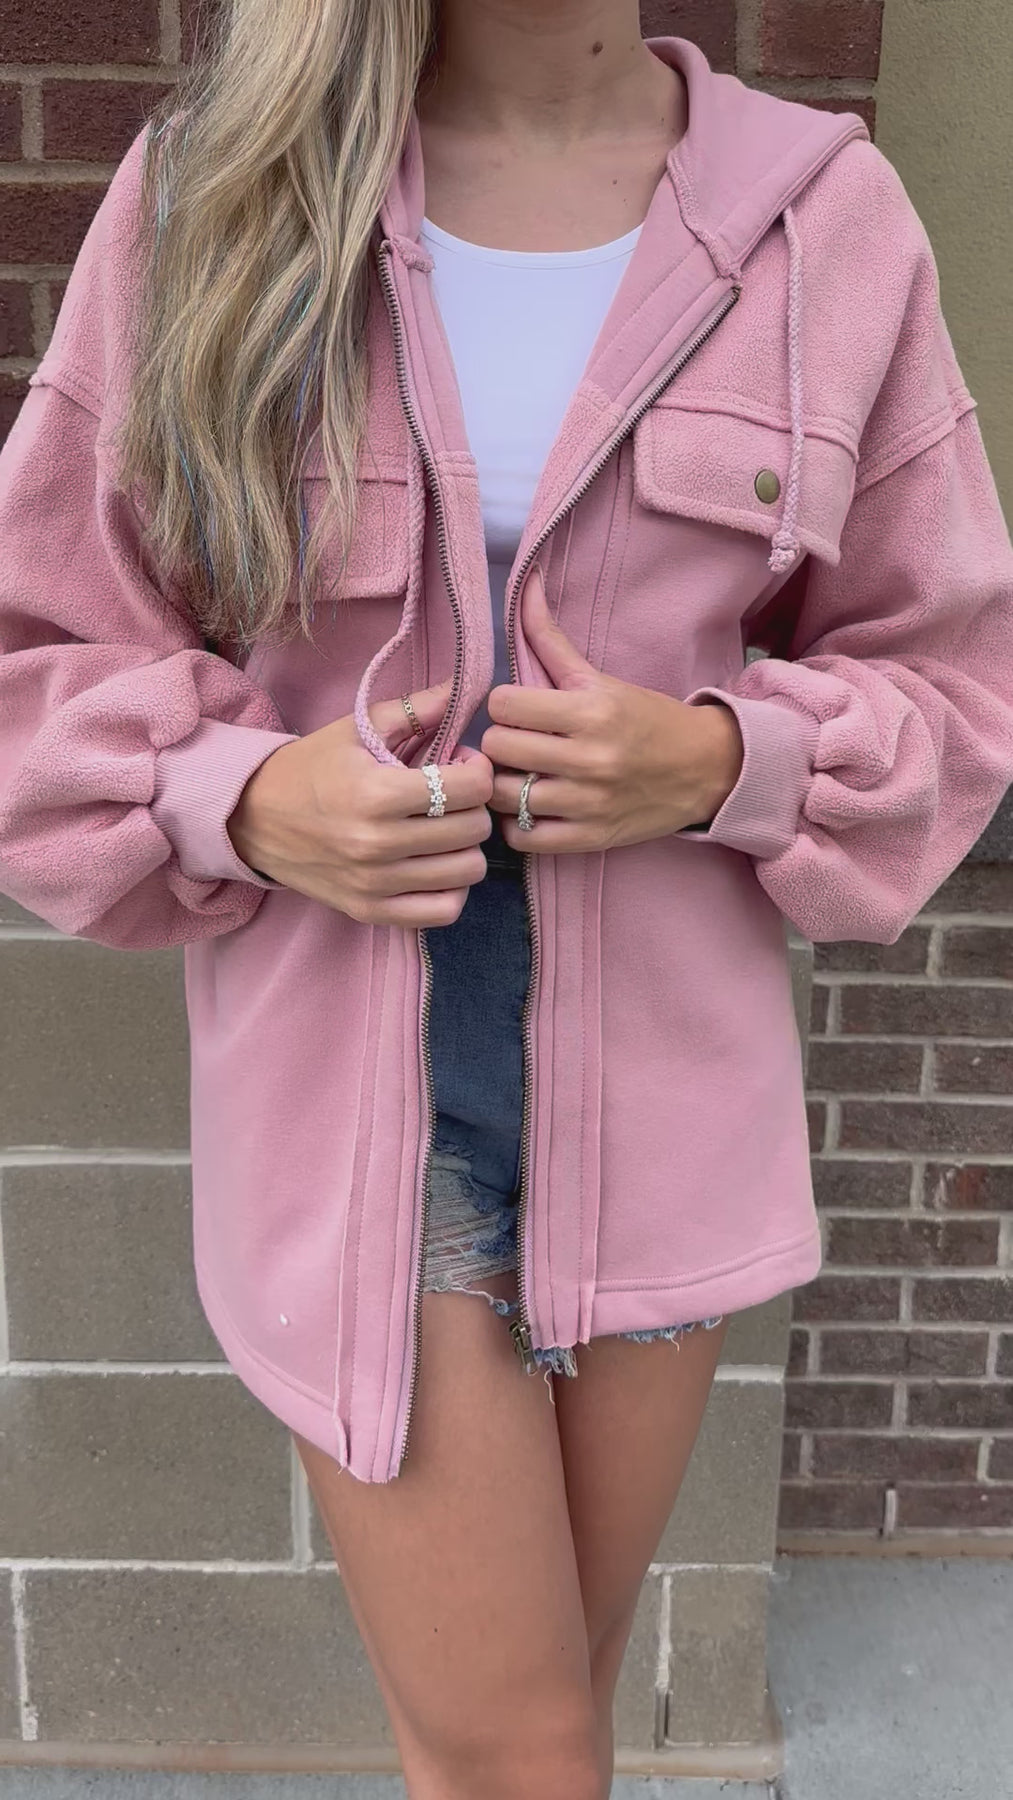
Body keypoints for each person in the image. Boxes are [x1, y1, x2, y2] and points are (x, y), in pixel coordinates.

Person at [1, 2, 1012, 1794]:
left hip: (662, 1103)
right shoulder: (215, 195)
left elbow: (952, 677)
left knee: (529, 1721)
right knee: (527, 1751)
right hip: (363, 1108)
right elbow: (41, 650)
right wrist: (246, 797)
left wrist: (721, 759)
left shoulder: (821, 219)